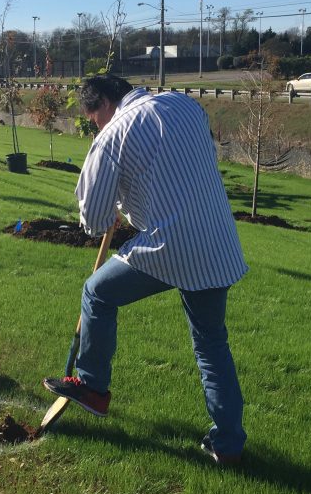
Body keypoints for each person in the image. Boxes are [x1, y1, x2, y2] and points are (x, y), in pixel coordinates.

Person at [42, 74, 249, 465]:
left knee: (97, 293)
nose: (96, 127)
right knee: (211, 344)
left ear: (104, 103)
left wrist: (112, 207)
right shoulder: (185, 105)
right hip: (217, 239)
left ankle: (92, 386)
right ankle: (228, 444)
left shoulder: (114, 132)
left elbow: (94, 219)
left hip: (169, 245)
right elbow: (180, 166)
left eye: (93, 119)